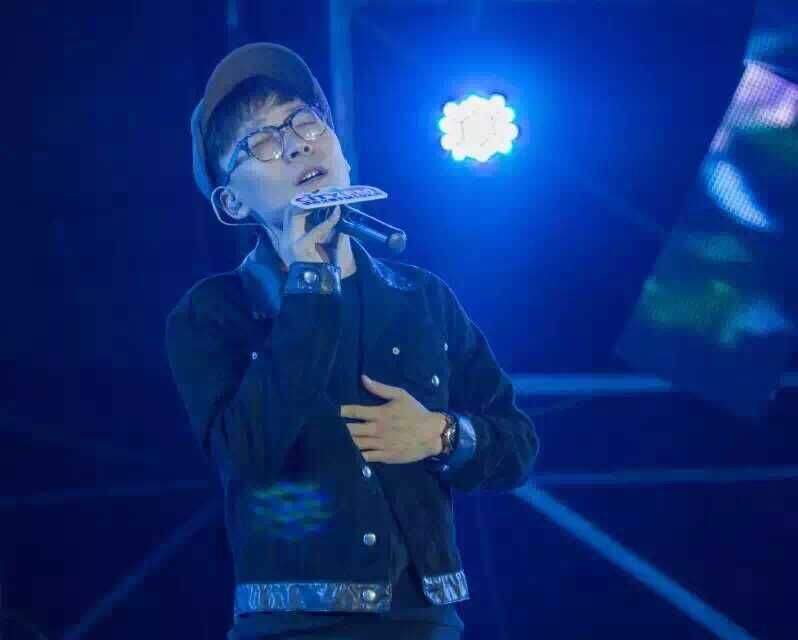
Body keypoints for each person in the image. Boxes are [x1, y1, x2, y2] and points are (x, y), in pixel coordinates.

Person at [165, 42, 539, 640]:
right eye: (261, 143)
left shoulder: (422, 297)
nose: (296, 144)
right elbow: (246, 455)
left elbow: (517, 444)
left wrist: (439, 434)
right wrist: (309, 283)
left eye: (304, 122)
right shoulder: (213, 313)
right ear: (231, 201)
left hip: (424, 621)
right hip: (290, 626)